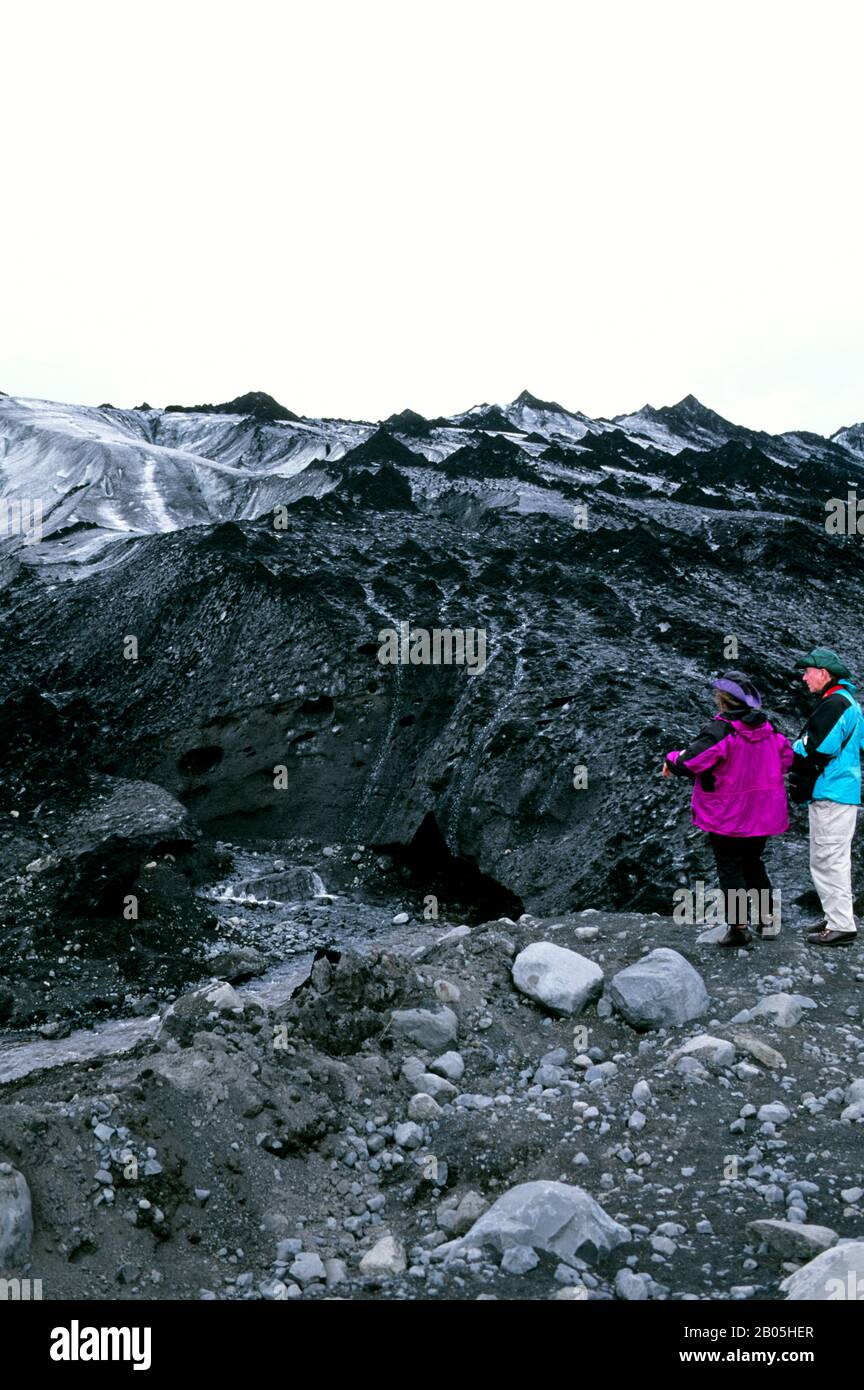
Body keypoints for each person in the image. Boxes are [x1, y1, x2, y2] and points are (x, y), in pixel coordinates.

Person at [663, 671, 793, 947]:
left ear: (722, 700)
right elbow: (786, 758)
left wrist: (670, 759)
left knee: (730, 867)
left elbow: (691, 761)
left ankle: (738, 928)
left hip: (728, 814)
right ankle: (768, 921)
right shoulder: (770, 728)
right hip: (762, 812)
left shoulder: (721, 730)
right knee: (753, 863)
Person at [790, 647, 863, 947]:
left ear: (824, 673)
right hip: (840, 791)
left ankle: (842, 925)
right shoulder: (848, 703)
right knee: (831, 857)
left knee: (828, 858)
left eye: (808, 671)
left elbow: (816, 747)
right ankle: (836, 917)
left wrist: (794, 748)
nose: (804, 677)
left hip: (831, 792)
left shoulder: (834, 704)